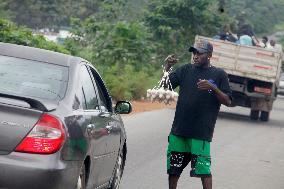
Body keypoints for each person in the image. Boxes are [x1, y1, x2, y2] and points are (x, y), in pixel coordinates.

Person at [164, 40, 232, 189]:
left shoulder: (219, 74)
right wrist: (167, 67)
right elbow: (166, 86)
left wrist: (213, 88)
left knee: (203, 171)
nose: (195, 56)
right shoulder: (185, 70)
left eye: (199, 53)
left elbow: (228, 101)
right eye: (194, 53)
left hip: (200, 133)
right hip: (179, 130)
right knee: (173, 170)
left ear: (209, 55)